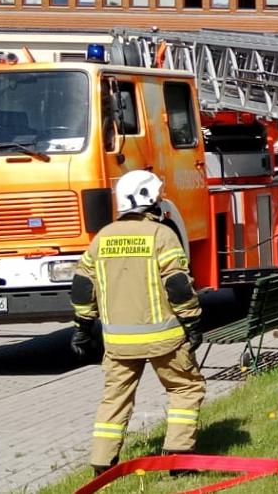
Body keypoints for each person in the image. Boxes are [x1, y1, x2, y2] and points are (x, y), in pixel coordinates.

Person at [71, 170, 207, 477]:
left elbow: (81, 286)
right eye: (157, 196)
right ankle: (179, 459)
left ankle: (103, 465)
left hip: (118, 343)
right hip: (165, 339)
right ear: (147, 199)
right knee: (185, 388)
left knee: (114, 400)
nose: (161, 201)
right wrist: (192, 322)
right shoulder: (162, 235)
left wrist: (81, 326)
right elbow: (178, 285)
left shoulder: (102, 238)